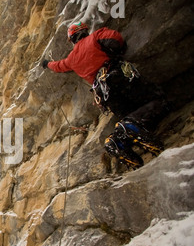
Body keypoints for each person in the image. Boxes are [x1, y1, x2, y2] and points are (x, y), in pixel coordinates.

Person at [42, 22, 169, 169]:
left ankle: (116, 142)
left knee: (131, 116)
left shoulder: (71, 58)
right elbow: (115, 38)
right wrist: (116, 52)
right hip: (118, 76)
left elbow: (59, 66)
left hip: (104, 93)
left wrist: (46, 64)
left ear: (72, 39)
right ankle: (129, 127)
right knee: (157, 101)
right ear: (85, 31)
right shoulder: (95, 37)